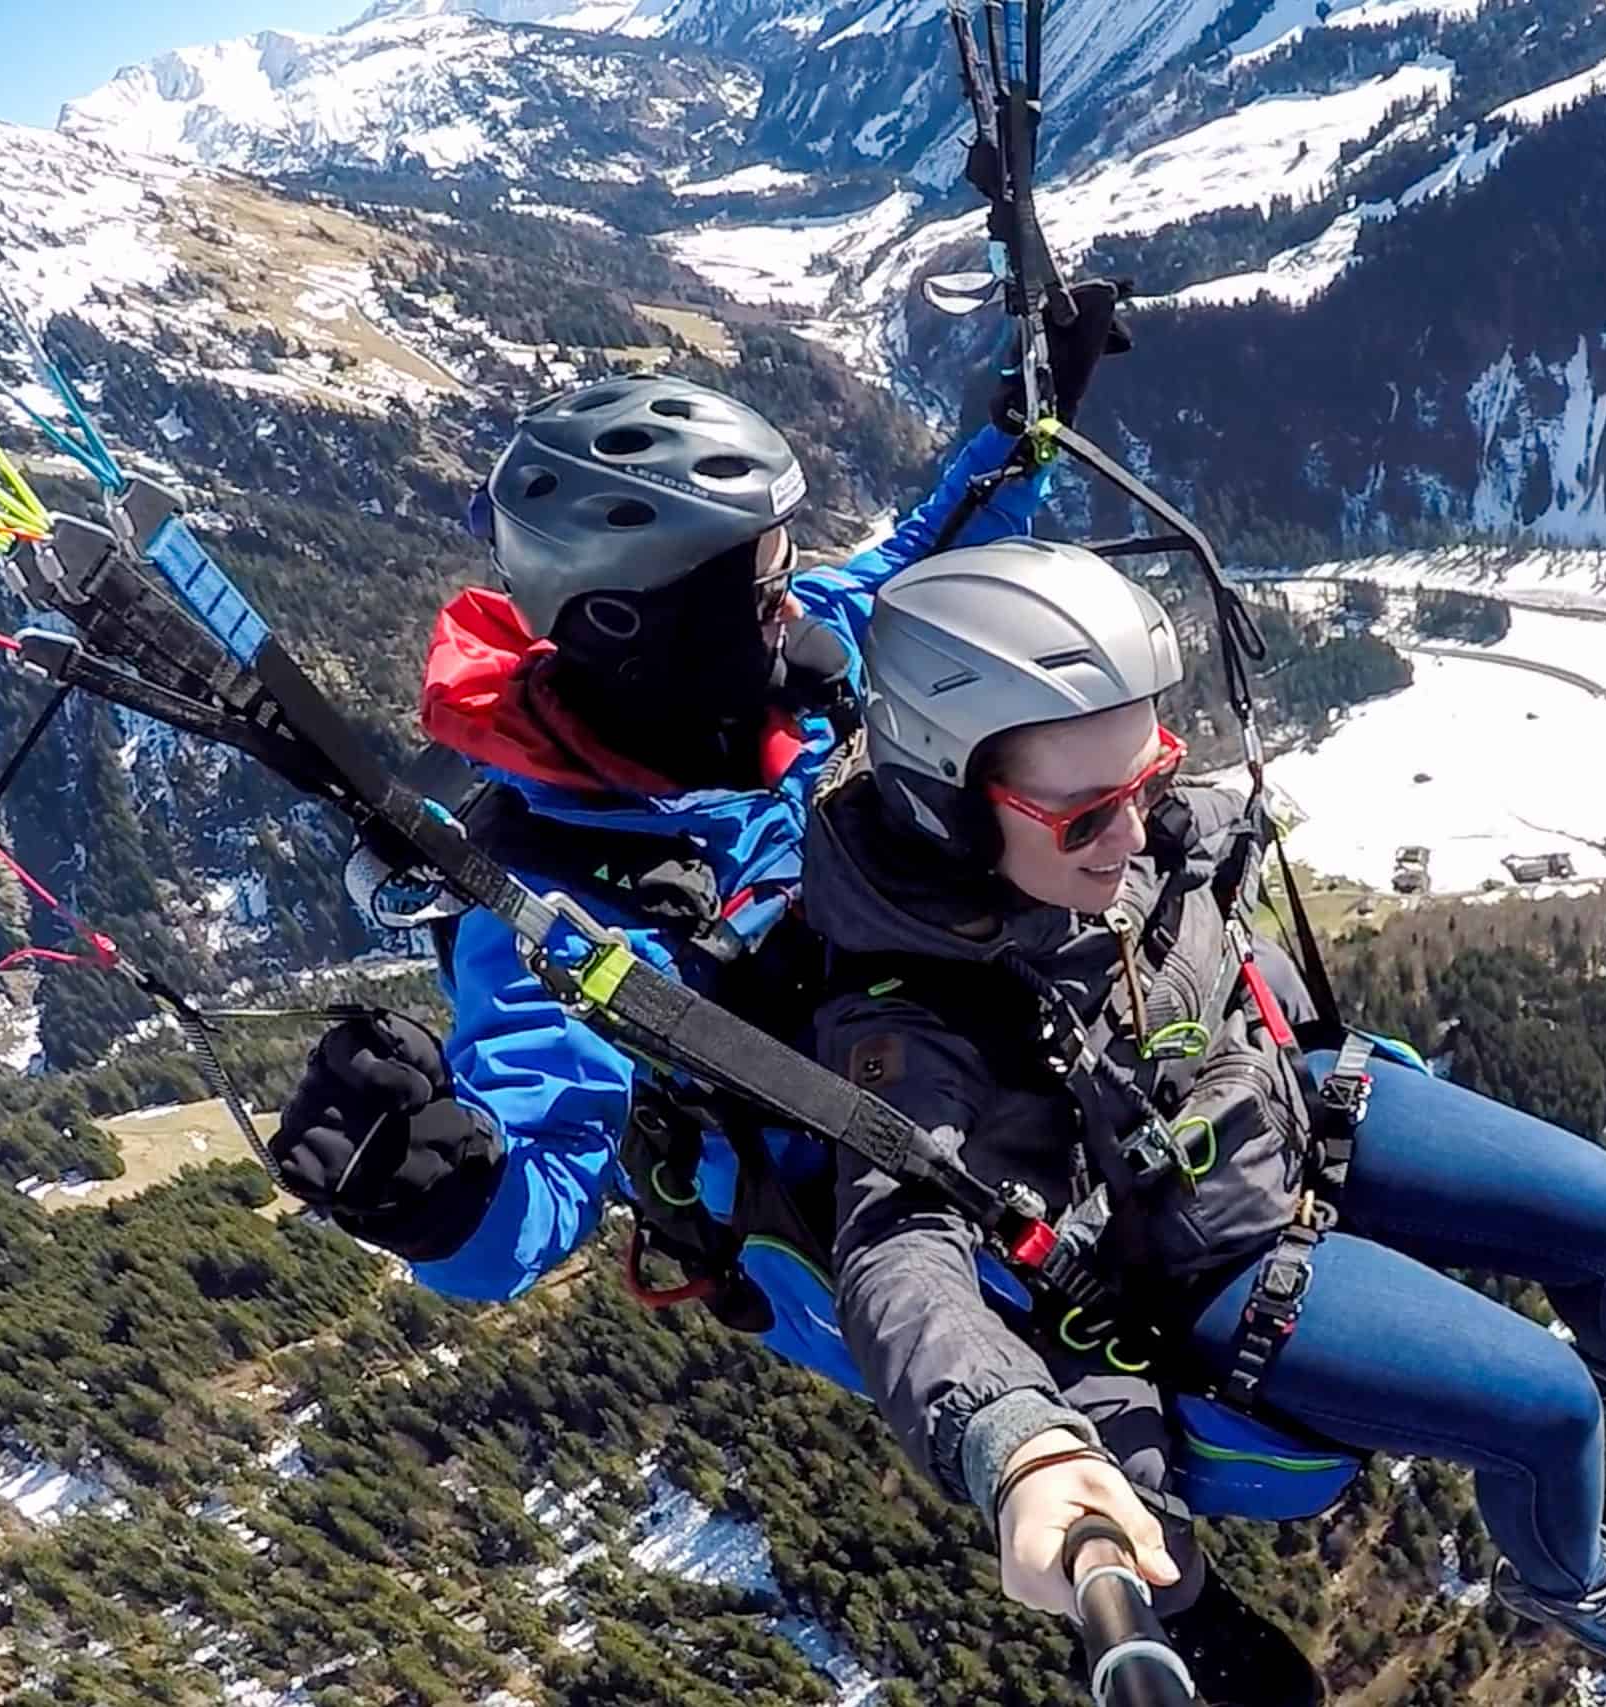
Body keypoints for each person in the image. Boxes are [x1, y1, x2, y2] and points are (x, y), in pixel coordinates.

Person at [803, 538, 1606, 1696]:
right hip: (1208, 1260)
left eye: (1150, 777)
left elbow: (1198, 912)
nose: (1134, 836)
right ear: (949, 811)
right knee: (1547, 1412)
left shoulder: (1111, 840)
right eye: (1086, 818)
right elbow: (898, 1248)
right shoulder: (917, 1023)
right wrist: (1012, 1438)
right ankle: (1564, 1576)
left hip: (1281, 1105)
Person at [261, 285, 1133, 1387]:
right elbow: (542, 1186)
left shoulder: (760, 687)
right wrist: (430, 1194)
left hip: (956, 1053)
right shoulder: (552, 896)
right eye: (764, 584)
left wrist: (1024, 424)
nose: (793, 605)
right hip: (860, 1221)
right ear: (649, 626)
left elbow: (919, 557)